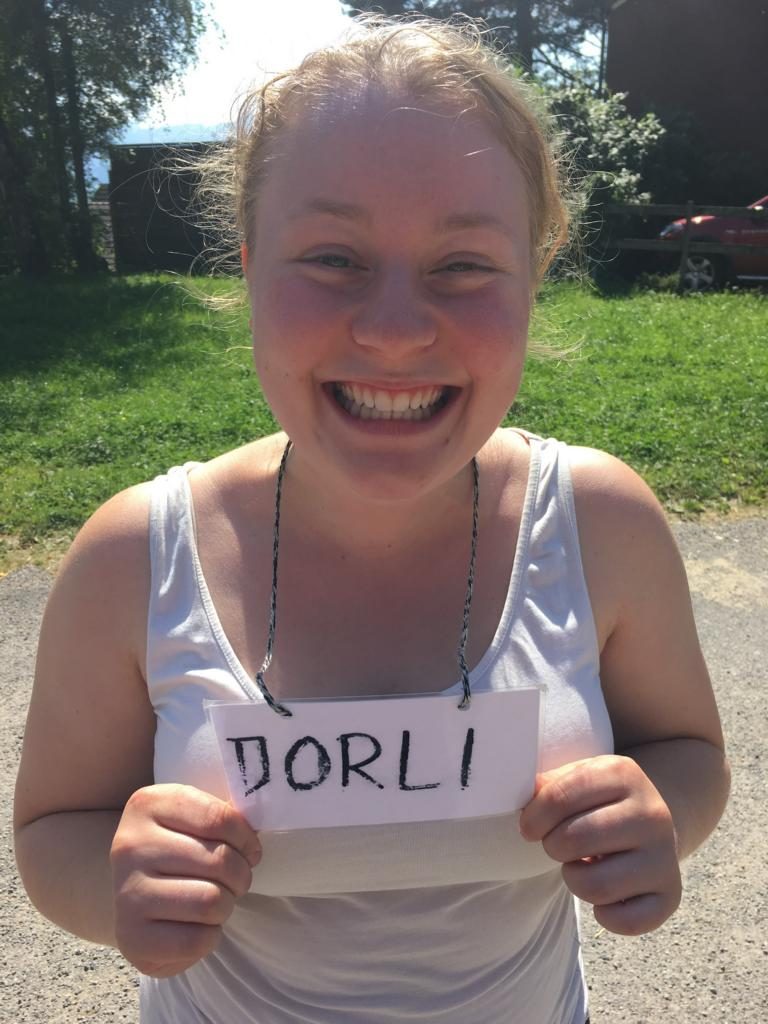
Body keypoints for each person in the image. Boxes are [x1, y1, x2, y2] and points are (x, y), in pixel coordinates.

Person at [14, 14, 729, 1024]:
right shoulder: (137, 558)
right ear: (249, 266)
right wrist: (116, 886)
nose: (395, 331)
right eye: (333, 258)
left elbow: (688, 751)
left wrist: (661, 820)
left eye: (463, 264)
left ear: (534, 274)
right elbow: (54, 828)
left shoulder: (600, 525)